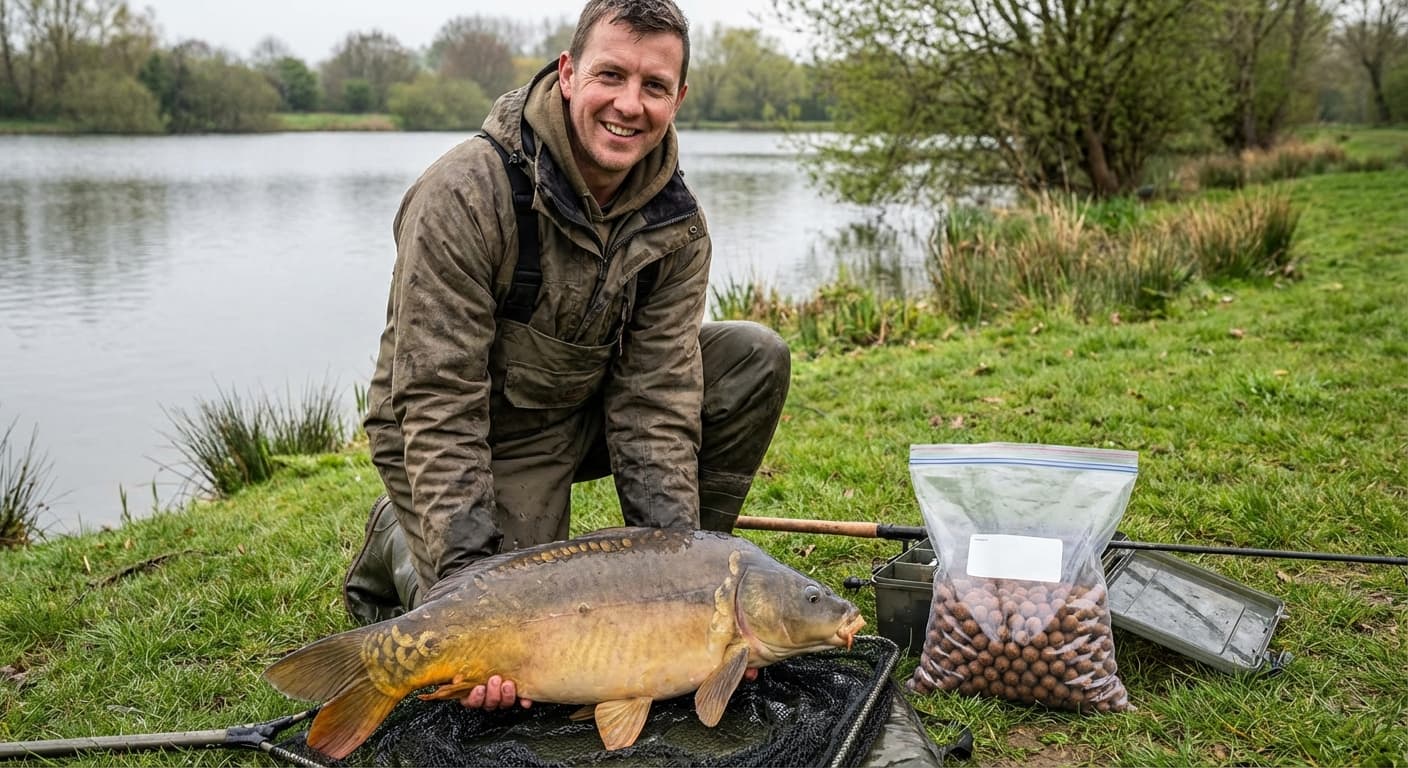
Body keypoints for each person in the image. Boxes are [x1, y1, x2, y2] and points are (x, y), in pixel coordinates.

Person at [342, 0, 789, 710]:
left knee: (752, 357)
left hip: (575, 408)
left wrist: (684, 593)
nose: (629, 104)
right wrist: (470, 578)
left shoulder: (677, 225)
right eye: (611, 75)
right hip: (466, 431)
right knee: (504, 647)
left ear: (678, 98)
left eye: (653, 85)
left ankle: (709, 592)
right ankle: (401, 540)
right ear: (569, 73)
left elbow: (655, 402)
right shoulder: (463, 193)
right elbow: (436, 400)